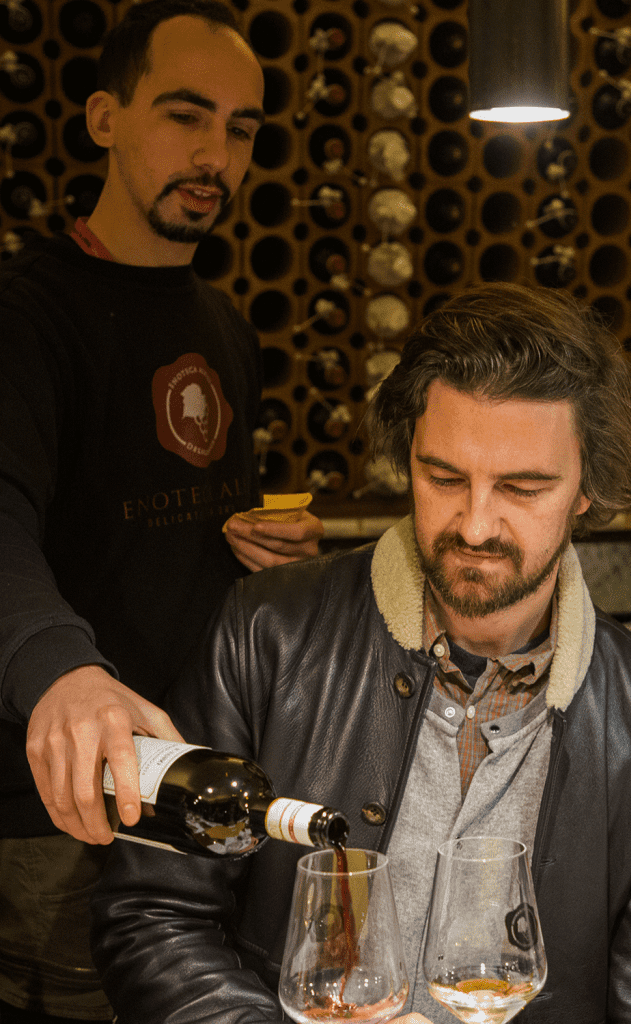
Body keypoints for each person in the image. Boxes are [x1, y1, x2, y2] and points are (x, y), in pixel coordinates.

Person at [91, 282, 631, 1024]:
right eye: (441, 478)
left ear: (586, 490)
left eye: (523, 488)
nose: (473, 525)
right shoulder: (266, 633)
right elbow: (149, 915)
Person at [0, 0, 323, 1018]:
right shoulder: (24, 315)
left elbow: (167, 526)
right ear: (103, 116)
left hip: (196, 800)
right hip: (60, 820)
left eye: (239, 127)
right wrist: (63, 669)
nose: (215, 154)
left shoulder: (225, 325)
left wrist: (259, 555)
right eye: (185, 115)